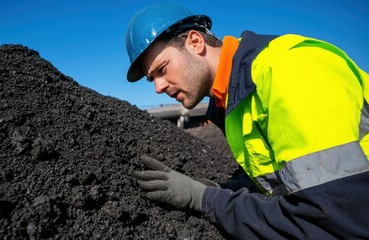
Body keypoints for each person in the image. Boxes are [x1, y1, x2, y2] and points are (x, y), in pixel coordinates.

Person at [125, 3, 369, 239]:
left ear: (195, 42)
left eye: (162, 69)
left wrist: (205, 199)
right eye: (152, 79)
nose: (158, 87)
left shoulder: (285, 71)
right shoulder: (230, 103)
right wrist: (225, 188)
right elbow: (284, 179)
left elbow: (334, 221)